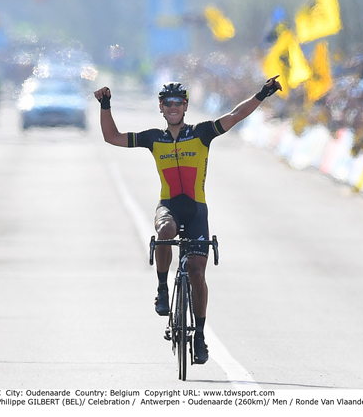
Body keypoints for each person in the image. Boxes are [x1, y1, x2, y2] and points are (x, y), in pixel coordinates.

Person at [94, 77, 281, 365]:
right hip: (168, 206)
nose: (172, 107)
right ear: (160, 107)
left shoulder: (202, 133)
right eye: (167, 103)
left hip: (196, 211)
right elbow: (112, 137)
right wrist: (105, 105)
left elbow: (235, 115)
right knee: (165, 230)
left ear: (185, 106)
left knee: (196, 273)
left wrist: (262, 93)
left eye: (177, 102)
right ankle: (162, 289)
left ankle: (200, 335)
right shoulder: (153, 138)